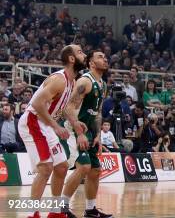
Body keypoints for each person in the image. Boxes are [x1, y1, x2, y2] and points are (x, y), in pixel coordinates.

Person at [17, 45, 86, 218]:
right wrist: (56, 126)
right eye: (80, 52)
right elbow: (37, 104)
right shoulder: (59, 79)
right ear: (71, 59)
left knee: (62, 167)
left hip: (45, 124)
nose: (84, 55)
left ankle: (56, 212)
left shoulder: (72, 82)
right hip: (33, 122)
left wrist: (75, 123)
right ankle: (31, 214)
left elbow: (61, 109)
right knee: (46, 168)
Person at [61, 50, 113, 218]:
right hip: (73, 128)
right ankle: (61, 208)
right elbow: (67, 108)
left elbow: (97, 113)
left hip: (89, 131)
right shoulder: (85, 81)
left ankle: (90, 210)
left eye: (105, 57)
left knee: (95, 170)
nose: (104, 59)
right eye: (100, 57)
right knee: (84, 167)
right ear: (91, 63)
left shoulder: (103, 84)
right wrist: (79, 131)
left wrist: (98, 135)